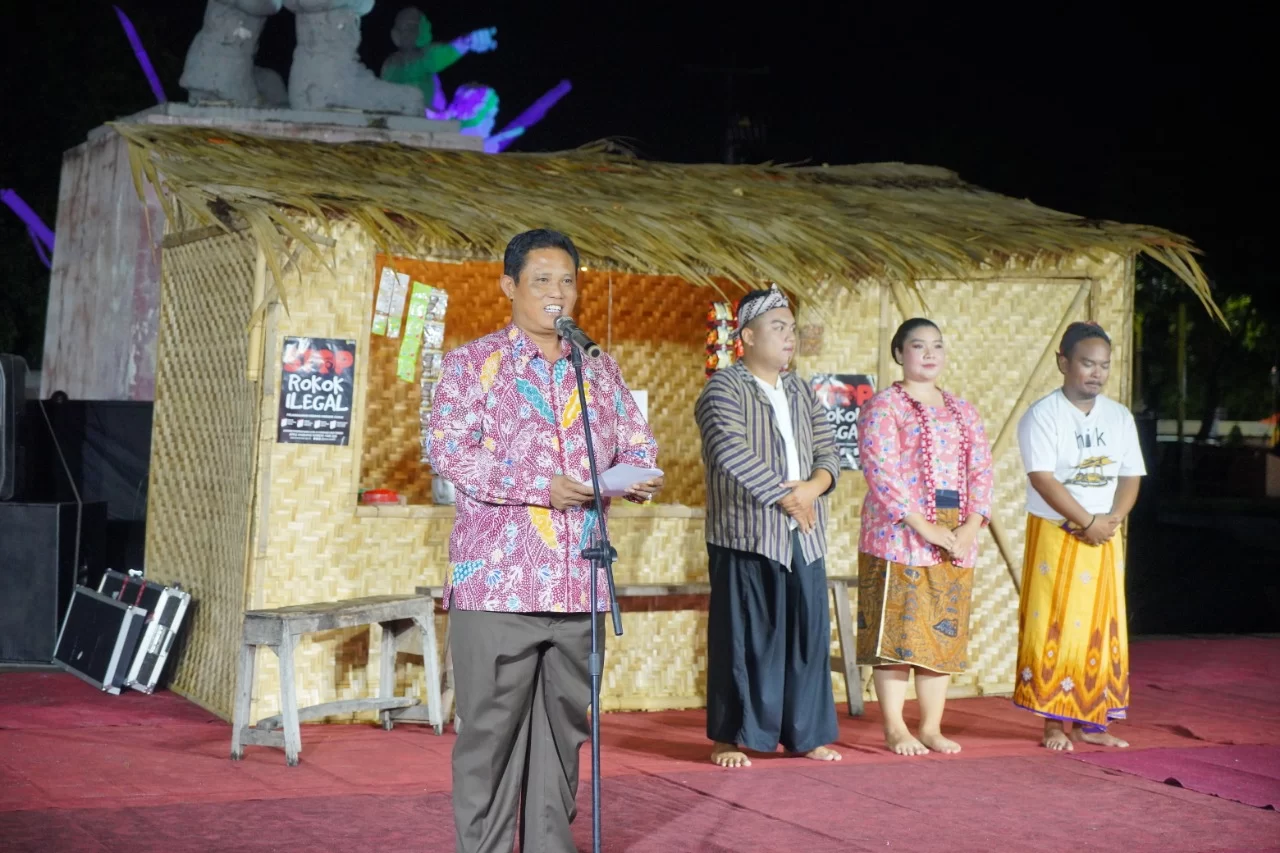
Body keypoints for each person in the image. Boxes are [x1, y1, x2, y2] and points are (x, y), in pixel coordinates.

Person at [427, 229, 662, 852]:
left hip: (578, 584)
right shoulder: (471, 365)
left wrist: (633, 477)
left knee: (564, 739)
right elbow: (450, 451)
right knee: (490, 738)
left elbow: (638, 445)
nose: (558, 294)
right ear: (509, 287)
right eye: (542, 281)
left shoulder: (598, 368)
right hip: (500, 585)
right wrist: (542, 486)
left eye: (567, 281)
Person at [695, 284, 843, 769]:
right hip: (748, 532)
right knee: (743, 638)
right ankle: (730, 737)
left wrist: (813, 489)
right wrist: (786, 494)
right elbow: (729, 451)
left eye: (792, 329)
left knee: (807, 635)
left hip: (803, 529)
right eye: (778, 328)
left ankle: (807, 733)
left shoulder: (800, 389)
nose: (789, 337)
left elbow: (828, 449)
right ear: (748, 336)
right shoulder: (723, 387)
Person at [856, 318, 994, 755]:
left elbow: (982, 471)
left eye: (937, 345)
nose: (930, 354)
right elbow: (882, 472)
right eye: (919, 346)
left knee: (941, 631)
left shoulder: (963, 410)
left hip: (956, 536)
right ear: (899, 354)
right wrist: (923, 525)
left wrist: (970, 527)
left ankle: (931, 726)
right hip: (899, 535)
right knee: (897, 633)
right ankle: (896, 727)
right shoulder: (883, 407)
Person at [1014, 321, 1143, 751]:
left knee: (1102, 626)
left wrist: (1110, 520)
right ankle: (1054, 723)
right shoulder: (1043, 414)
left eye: (1104, 366)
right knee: (1055, 626)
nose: (1097, 373)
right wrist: (1087, 521)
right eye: (1087, 363)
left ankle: (1094, 719)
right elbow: (1043, 478)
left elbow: (1129, 476)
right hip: (1058, 531)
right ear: (1063, 362)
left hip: (1106, 534)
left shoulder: (1119, 416)